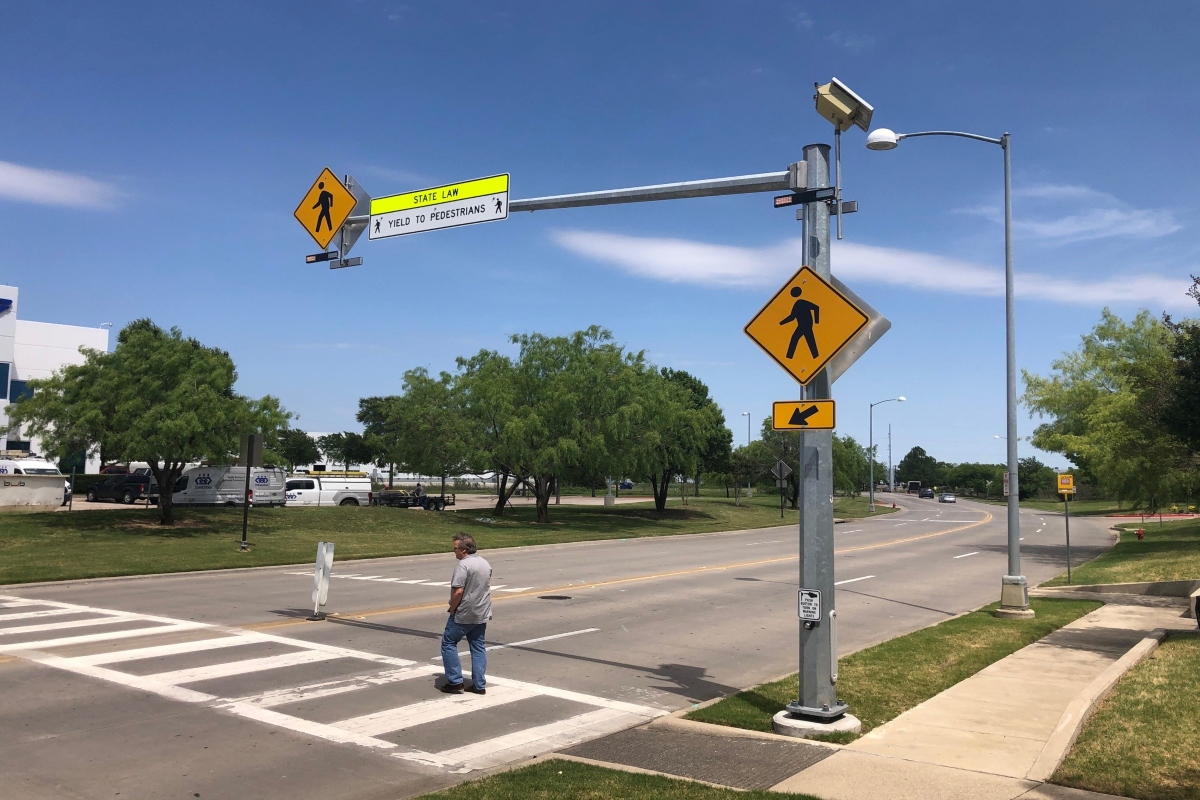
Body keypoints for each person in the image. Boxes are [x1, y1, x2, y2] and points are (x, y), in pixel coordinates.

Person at [439, 534, 492, 695]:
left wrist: (452, 608)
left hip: (465, 613)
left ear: (463, 550)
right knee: (478, 647)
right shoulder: (484, 563)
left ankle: (455, 681)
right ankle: (479, 684)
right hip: (481, 612)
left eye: (455, 548)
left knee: (448, 643)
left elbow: (458, 591)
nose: (453, 551)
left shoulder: (463, 566)